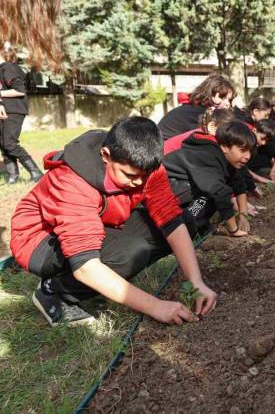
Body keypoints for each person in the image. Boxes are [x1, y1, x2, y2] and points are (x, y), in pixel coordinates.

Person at [10, 117, 217, 326]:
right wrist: (156, 306)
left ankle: (100, 280)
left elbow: (171, 220)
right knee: (129, 252)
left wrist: (196, 282)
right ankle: (53, 291)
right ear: (106, 155)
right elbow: (86, 266)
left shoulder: (145, 168)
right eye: (130, 175)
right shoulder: (72, 182)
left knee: (181, 223)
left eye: (144, 177)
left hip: (98, 221)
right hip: (39, 239)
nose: (138, 182)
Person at [164, 120, 256, 238]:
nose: (248, 156)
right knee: (213, 195)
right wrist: (234, 230)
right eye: (242, 150)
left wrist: (243, 214)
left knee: (214, 193)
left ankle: (199, 225)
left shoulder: (225, 158)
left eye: (250, 151)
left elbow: (238, 184)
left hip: (184, 188)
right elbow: (220, 192)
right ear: (225, 147)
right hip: (169, 189)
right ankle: (186, 227)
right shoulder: (207, 156)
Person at [0, 44, 43, 183]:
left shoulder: (8, 68)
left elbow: (20, 90)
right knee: (3, 143)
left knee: (10, 144)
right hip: (5, 109)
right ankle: (13, 175)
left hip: (14, 110)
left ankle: (36, 172)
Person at [158, 74, 235, 140]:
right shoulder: (199, 113)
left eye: (229, 100)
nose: (227, 104)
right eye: (223, 98)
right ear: (209, 94)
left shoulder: (194, 108)